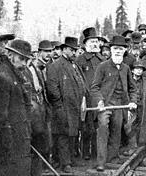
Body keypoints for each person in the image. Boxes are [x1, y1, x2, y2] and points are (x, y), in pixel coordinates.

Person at [91, 35, 137, 172]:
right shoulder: (102, 66)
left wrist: (133, 101)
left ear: (124, 51)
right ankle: (101, 162)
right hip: (105, 105)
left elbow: (133, 88)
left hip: (120, 105)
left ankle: (112, 158)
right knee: (103, 129)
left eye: (121, 49)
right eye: (115, 48)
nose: (118, 51)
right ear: (111, 50)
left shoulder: (126, 68)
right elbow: (94, 87)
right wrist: (99, 101)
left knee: (117, 131)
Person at [47, 36, 88, 173]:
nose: (75, 53)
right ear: (64, 49)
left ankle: (71, 158)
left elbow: (81, 84)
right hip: (63, 107)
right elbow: (53, 89)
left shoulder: (74, 65)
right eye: (72, 50)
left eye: (76, 50)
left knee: (73, 134)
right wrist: (59, 107)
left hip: (75, 106)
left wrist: (82, 98)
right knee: (63, 135)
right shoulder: (56, 66)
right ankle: (65, 163)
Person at [0, 39, 32, 176]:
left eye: (26, 60)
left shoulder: (17, 74)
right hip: (9, 147)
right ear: (10, 55)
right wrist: (7, 145)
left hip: (21, 139)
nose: (24, 64)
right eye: (21, 59)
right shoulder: (2, 76)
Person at [76, 27, 105, 160]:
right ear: (85, 44)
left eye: (96, 41)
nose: (94, 44)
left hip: (99, 97)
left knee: (98, 126)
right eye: (91, 41)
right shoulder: (80, 60)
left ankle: (95, 152)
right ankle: (85, 152)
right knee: (86, 127)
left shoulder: (102, 59)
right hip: (85, 98)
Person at [123, 60, 146, 156]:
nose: (139, 71)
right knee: (129, 126)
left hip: (141, 106)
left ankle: (134, 147)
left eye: (141, 69)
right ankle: (131, 147)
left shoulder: (144, 81)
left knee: (138, 126)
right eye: (137, 69)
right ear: (132, 71)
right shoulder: (128, 80)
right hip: (130, 106)